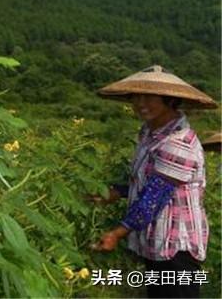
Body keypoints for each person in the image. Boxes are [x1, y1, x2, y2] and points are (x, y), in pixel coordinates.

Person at [91, 65, 217, 298]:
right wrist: (117, 192)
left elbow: (154, 196)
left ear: (170, 100)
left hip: (176, 244)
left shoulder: (178, 142)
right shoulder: (150, 133)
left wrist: (116, 233)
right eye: (136, 97)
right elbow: (148, 182)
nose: (140, 103)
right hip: (156, 242)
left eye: (149, 97)